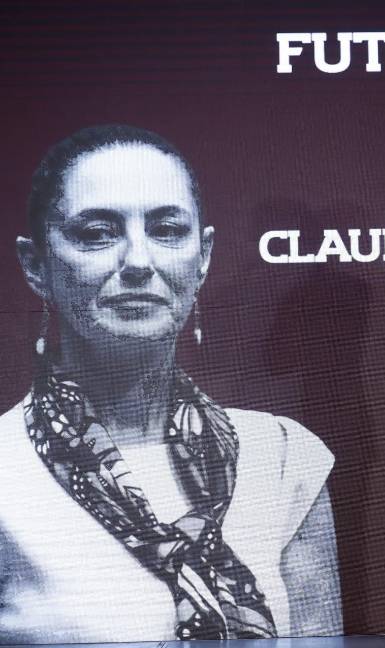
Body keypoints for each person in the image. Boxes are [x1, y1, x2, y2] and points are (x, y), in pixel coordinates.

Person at [0, 125, 343, 641]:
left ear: (203, 256)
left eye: (166, 229)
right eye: (97, 233)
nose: (139, 262)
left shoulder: (282, 458)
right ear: (35, 265)